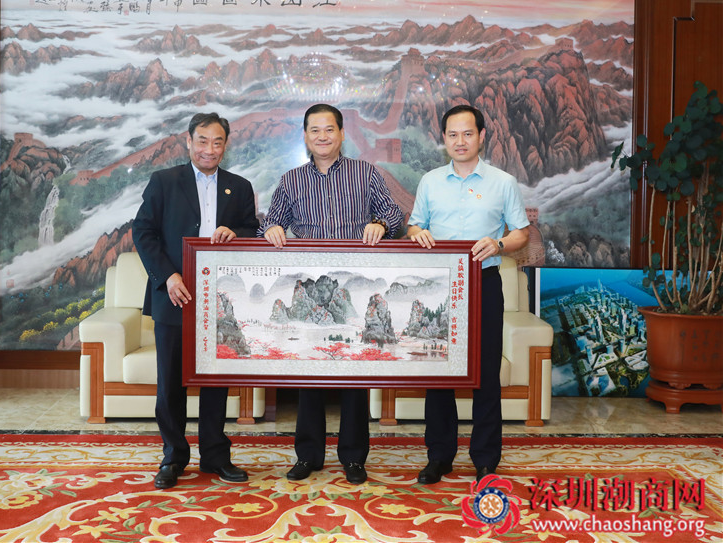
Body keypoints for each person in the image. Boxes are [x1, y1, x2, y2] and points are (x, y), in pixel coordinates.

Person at [259, 103, 403, 485]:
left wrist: (380, 223)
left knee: (354, 373)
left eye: (329, 129)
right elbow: (270, 224)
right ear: (305, 137)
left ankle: (354, 457)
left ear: (341, 134)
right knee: (309, 372)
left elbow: (394, 215)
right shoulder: (291, 180)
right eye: (314, 130)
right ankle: (308, 455)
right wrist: (272, 230)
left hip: (352, 283)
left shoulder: (365, 173)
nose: (322, 136)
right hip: (311, 285)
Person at [133, 112, 259, 489]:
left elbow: (251, 230)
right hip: (175, 295)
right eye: (202, 141)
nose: (209, 149)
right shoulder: (164, 181)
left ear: (225, 145)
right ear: (188, 142)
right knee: (171, 384)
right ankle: (173, 457)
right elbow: (143, 231)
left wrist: (234, 233)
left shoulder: (239, 186)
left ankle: (215, 456)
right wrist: (167, 276)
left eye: (217, 142)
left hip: (218, 300)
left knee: (216, 381)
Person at [407, 104, 530, 485]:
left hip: (484, 283)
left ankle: (485, 459)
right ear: (443, 139)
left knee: (486, 373)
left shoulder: (503, 182)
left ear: (481, 136)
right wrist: (418, 234)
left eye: (467, 134)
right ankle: (439, 456)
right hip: (440, 287)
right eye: (452, 135)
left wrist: (499, 243)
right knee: (439, 372)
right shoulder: (430, 181)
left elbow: (522, 233)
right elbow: (414, 226)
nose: (460, 141)